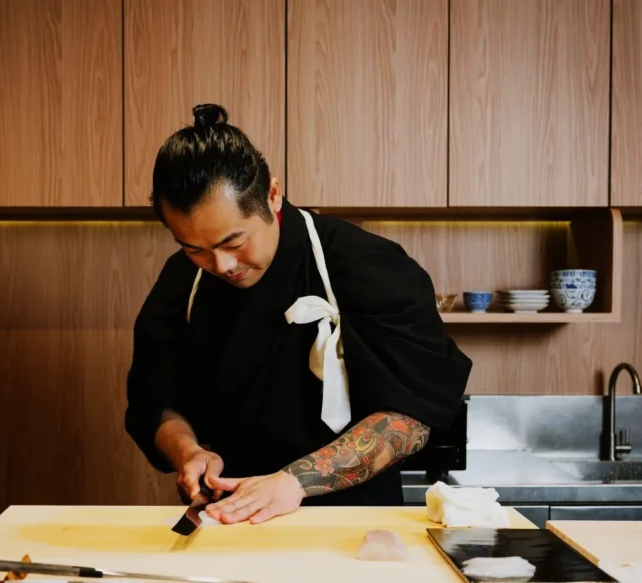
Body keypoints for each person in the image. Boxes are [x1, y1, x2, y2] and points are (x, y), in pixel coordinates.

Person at [125, 103, 472, 525]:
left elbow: (410, 420)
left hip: (355, 523)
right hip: (229, 515)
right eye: (194, 248)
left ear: (272, 196)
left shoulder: (369, 265)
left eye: (234, 242)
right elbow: (156, 397)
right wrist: (189, 452)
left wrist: (292, 482)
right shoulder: (184, 280)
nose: (221, 265)